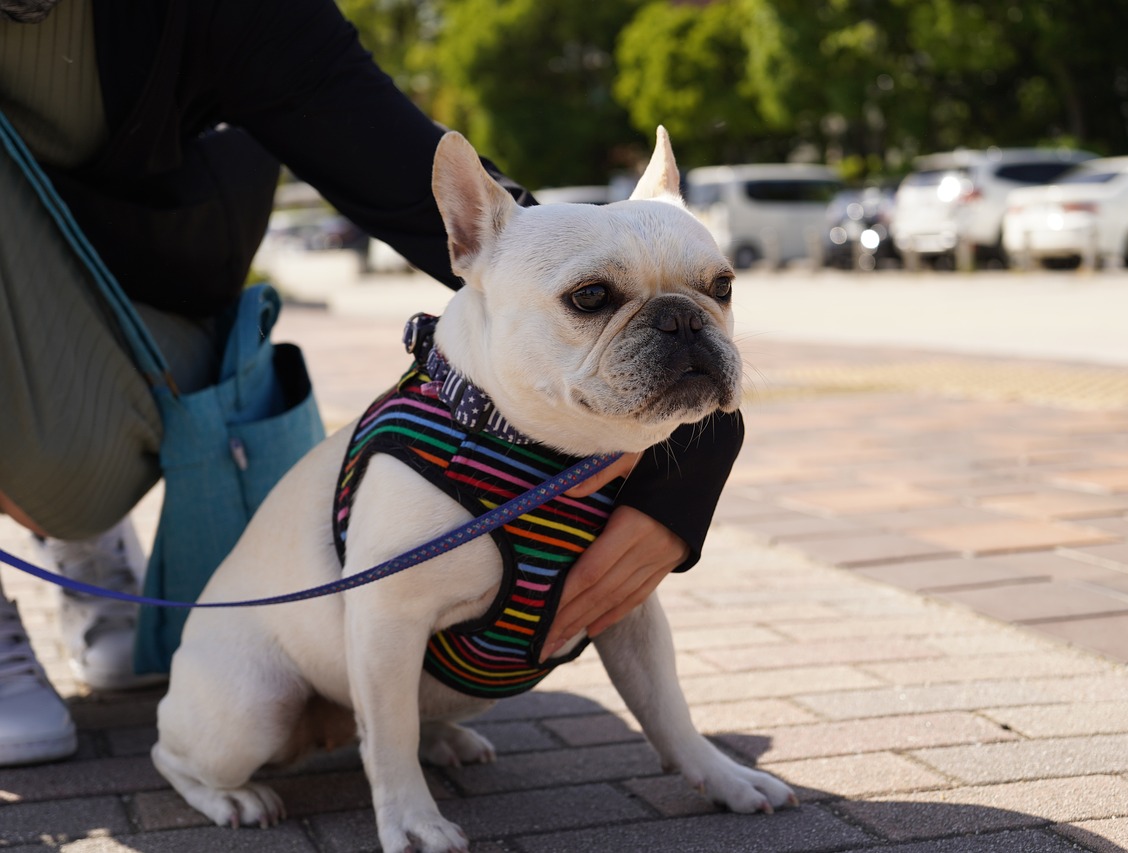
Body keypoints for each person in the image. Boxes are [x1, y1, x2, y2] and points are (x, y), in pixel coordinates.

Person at [0, 0, 742, 766]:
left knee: (83, 467)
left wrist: (683, 464)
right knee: (75, 476)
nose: (689, 321)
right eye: (594, 299)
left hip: (150, 296)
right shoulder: (418, 455)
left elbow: (418, 176)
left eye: (715, 290)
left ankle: (82, 530)